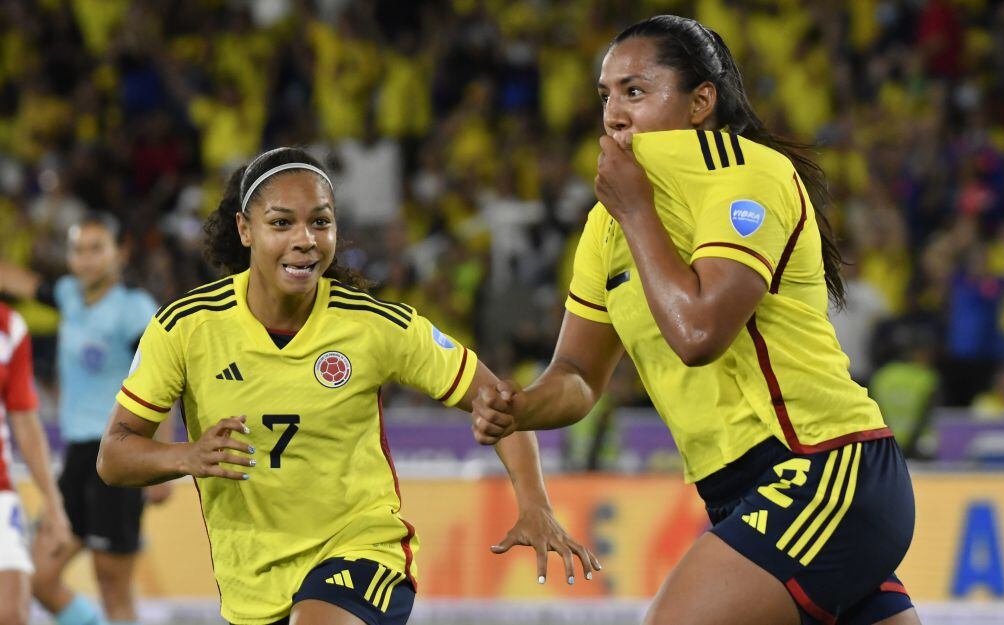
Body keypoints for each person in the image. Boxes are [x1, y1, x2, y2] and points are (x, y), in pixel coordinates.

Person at [472, 15, 918, 625]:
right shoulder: (606, 225)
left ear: (700, 102)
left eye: (636, 91)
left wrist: (636, 211)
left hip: (820, 466)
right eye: (606, 96)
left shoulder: (747, 175)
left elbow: (700, 334)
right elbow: (578, 374)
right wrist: (519, 408)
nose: (614, 115)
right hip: (737, 495)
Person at [96, 147, 599, 625]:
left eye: (320, 221)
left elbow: (503, 409)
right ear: (245, 230)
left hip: (361, 552)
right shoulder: (186, 328)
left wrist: (534, 504)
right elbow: (114, 455)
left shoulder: (374, 326)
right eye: (281, 223)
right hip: (252, 580)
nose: (305, 239)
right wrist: (186, 456)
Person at [0, 213, 167, 625]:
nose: (87, 259)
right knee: (40, 575)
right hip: (76, 458)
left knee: (113, 589)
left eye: (97, 249)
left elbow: (168, 383)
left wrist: (160, 460)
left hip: (117, 456)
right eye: (78, 250)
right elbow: (14, 278)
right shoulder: (68, 295)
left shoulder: (134, 310)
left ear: (120, 253)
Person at [0, 301, 72, 625]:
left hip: (1, 492)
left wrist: (54, 506)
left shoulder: (10, 327)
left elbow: (25, 423)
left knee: (13, 613)